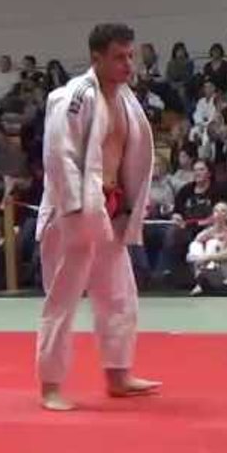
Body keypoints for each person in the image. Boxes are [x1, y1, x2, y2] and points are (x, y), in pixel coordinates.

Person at [35, 23, 161, 411]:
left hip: (108, 209)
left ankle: (118, 374)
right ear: (97, 58)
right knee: (63, 299)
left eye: (130, 56)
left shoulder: (127, 101)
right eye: (119, 57)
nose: (128, 64)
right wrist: (74, 207)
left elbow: (130, 159)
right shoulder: (74, 96)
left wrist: (129, 205)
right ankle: (51, 386)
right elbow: (59, 155)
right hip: (71, 211)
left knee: (120, 295)